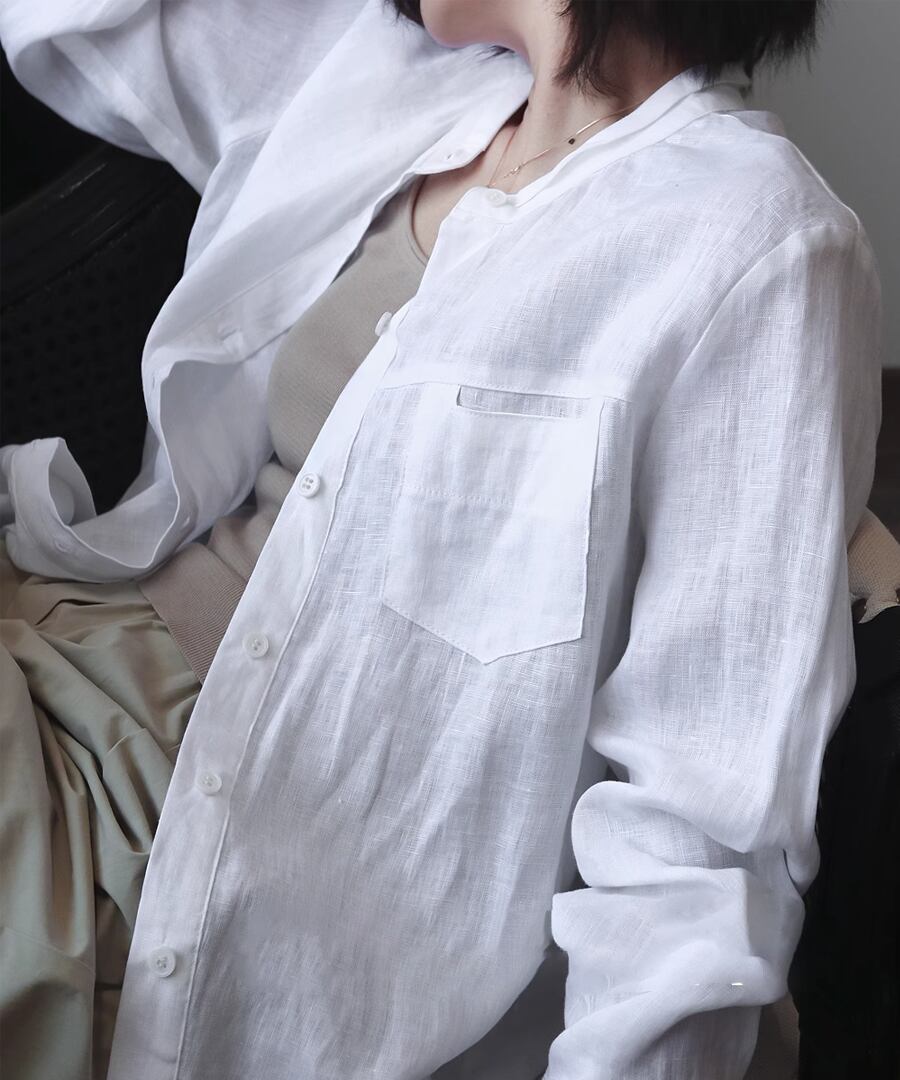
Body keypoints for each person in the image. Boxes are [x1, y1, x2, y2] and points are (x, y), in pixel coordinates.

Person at [0, 1, 885, 1078]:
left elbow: (695, 841)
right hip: (57, 630)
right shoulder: (395, 86)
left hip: (172, 800)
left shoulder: (756, 237)